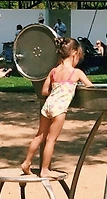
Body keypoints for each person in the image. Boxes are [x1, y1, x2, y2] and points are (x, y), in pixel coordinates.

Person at [20, 37, 92, 176]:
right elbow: (90, 87)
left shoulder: (53, 71)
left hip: (47, 106)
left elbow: (44, 91)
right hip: (59, 109)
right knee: (51, 139)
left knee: (39, 136)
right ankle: (45, 169)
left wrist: (55, 92)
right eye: (79, 56)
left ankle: (27, 162)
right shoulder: (76, 73)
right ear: (74, 53)